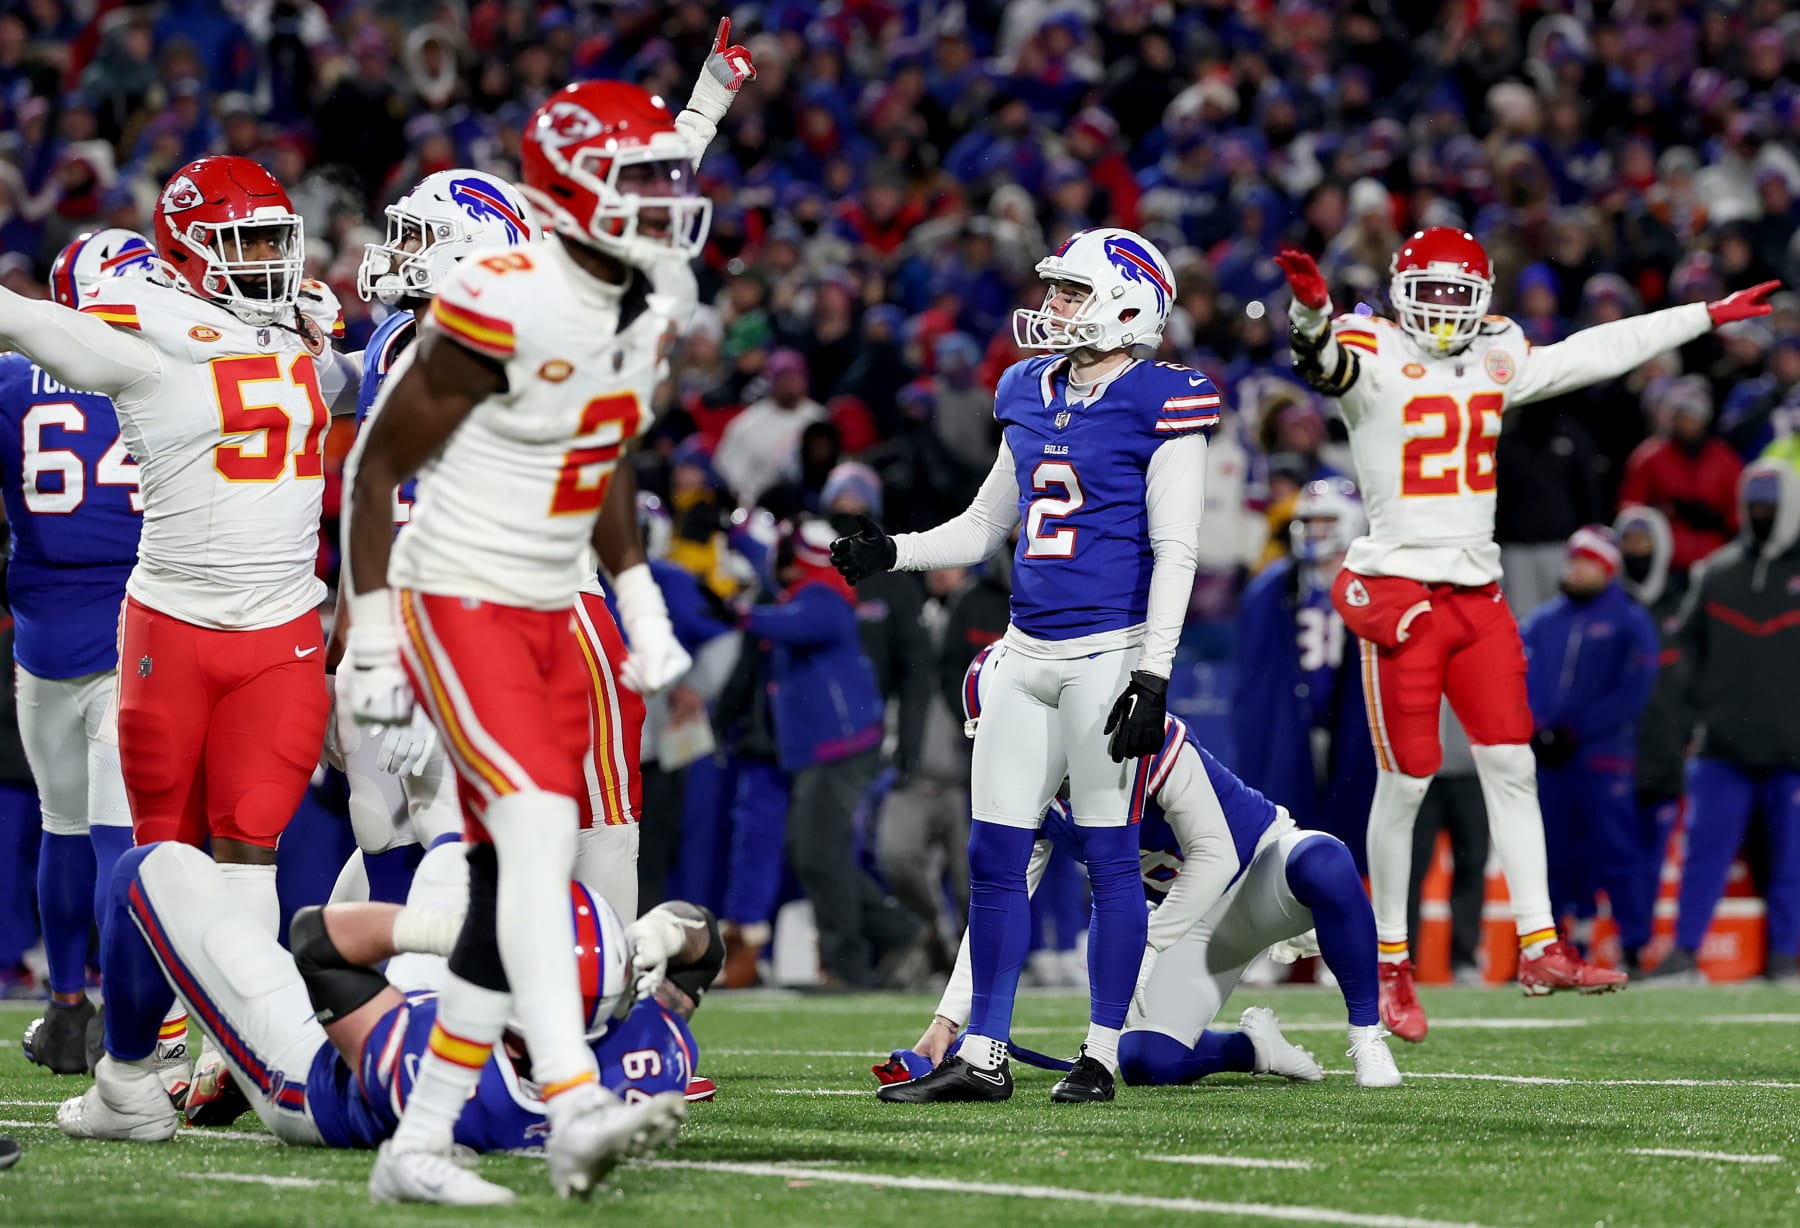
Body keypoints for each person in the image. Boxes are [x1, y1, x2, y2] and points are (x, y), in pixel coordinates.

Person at [341, 38, 752, 1203]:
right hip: (458, 592)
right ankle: (573, 1103)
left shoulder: (639, 293)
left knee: (503, 870)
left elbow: (605, 453)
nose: (670, 207)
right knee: (530, 843)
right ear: (576, 196)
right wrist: (371, 636)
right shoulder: (501, 294)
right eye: (644, 188)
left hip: (549, 605)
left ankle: (416, 1145)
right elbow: (374, 473)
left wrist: (636, 597)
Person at [1275, 229, 1777, 1040]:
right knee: (1406, 784)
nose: (1442, 309)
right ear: (1404, 292)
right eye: (1429, 292)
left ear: (1482, 298)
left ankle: (1540, 943)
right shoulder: (1368, 343)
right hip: (1402, 587)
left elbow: (1596, 350)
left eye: (1456, 293)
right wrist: (1310, 310)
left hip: (1477, 591)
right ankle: (1392, 961)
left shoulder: (1498, 352)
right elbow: (1323, 359)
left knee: (1512, 765)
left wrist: (1703, 314)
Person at [0, 156, 361, 1094]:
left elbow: (359, 384)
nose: (270, 257)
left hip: (277, 622)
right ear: (189, 252)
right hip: (168, 619)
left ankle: (229, 1051)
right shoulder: (145, 328)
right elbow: (30, 320)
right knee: (150, 853)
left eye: (278, 236)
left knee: (248, 842)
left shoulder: (305, 326)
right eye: (246, 240)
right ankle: (129, 1060)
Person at [835, 226, 1214, 1103]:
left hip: (1107, 655)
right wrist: (890, 551)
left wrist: (1153, 675)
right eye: (1054, 291)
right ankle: (984, 1054)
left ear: (1128, 303)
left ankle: (1102, 1052)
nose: (1052, 308)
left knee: (1109, 857)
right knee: (995, 856)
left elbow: (1178, 550)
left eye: (1072, 294)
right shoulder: (1028, 390)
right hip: (1026, 650)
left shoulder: (1164, 399)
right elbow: (980, 526)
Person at [878, 648, 1398, 1093]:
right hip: (1189, 922)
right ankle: (1253, 1048)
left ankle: (1366, 1037)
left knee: (1325, 860)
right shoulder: (1029, 799)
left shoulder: (1131, 734)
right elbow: (995, 912)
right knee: (1147, 1062)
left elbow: (1216, 853)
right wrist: (945, 1023)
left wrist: (1149, 941)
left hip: (1255, 875)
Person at [55, 839, 719, 1185]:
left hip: (320, 1069)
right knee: (462, 851)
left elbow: (321, 945)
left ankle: (126, 1090)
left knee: (150, 872)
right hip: (454, 1016)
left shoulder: (443, 1082)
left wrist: (447, 934)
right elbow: (702, 947)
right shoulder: (644, 1050)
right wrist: (660, 930)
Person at [329, 168, 538, 909]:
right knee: (375, 821)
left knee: (445, 813)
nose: (397, 250)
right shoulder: (394, 334)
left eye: (419, 236)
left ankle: (463, 1007)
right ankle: (399, 1010)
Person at [3, 230, 150, 1076]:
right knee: (113, 835)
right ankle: (130, 1032)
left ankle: (66, 1006)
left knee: (63, 825)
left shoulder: (14, 376)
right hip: (138, 622)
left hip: (40, 630)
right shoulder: (155, 369)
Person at [752, 518, 918, 987]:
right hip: (828, 748)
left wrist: (742, 614)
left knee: (817, 855)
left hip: (839, 747)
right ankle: (897, 932)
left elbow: (801, 623)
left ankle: (849, 964)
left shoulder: (822, 595)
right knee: (817, 853)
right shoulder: (816, 589)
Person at [1656, 461, 1800, 983]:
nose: (1761, 514)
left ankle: (1786, 959)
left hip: (1793, 750)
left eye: (1770, 506)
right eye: (1754, 505)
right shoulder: (1716, 573)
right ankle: (1685, 953)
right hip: (1722, 746)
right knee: (1703, 859)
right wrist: (1697, 715)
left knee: (1792, 865)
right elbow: (1683, 651)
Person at [1520, 526, 1659, 961]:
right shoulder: (1542, 622)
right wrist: (1537, 728)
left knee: (1616, 854)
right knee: (1554, 856)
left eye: (1587, 562)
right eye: (1573, 560)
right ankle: (1555, 946)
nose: (1576, 569)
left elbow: (1632, 691)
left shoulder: (1629, 621)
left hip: (1604, 758)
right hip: (1551, 760)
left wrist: (1576, 729)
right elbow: (1520, 680)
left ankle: (1635, 944)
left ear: (1607, 568)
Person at [1233, 477, 1376, 865]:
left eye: (1327, 521)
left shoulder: (1376, 584)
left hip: (1351, 722)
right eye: (1309, 522)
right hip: (1295, 721)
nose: (1316, 532)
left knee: (1354, 827)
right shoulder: (1272, 587)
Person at [1614, 504, 1689, 976]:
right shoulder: (1609, 605)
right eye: (1630, 544)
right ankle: (1624, 948)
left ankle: (1638, 945)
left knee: (1651, 860)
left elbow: (1702, 674)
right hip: (1615, 754)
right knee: (1616, 859)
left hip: (1666, 752)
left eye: (1645, 543)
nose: (1638, 552)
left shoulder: (1684, 601)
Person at [1618, 378, 1743, 578]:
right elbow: (1630, 508)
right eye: (1679, 414)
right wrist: (1659, 515)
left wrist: (1718, 520)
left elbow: (1738, 508)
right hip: (1665, 560)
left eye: (1691, 415)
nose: (1684, 421)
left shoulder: (1723, 457)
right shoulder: (1649, 456)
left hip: (1714, 557)